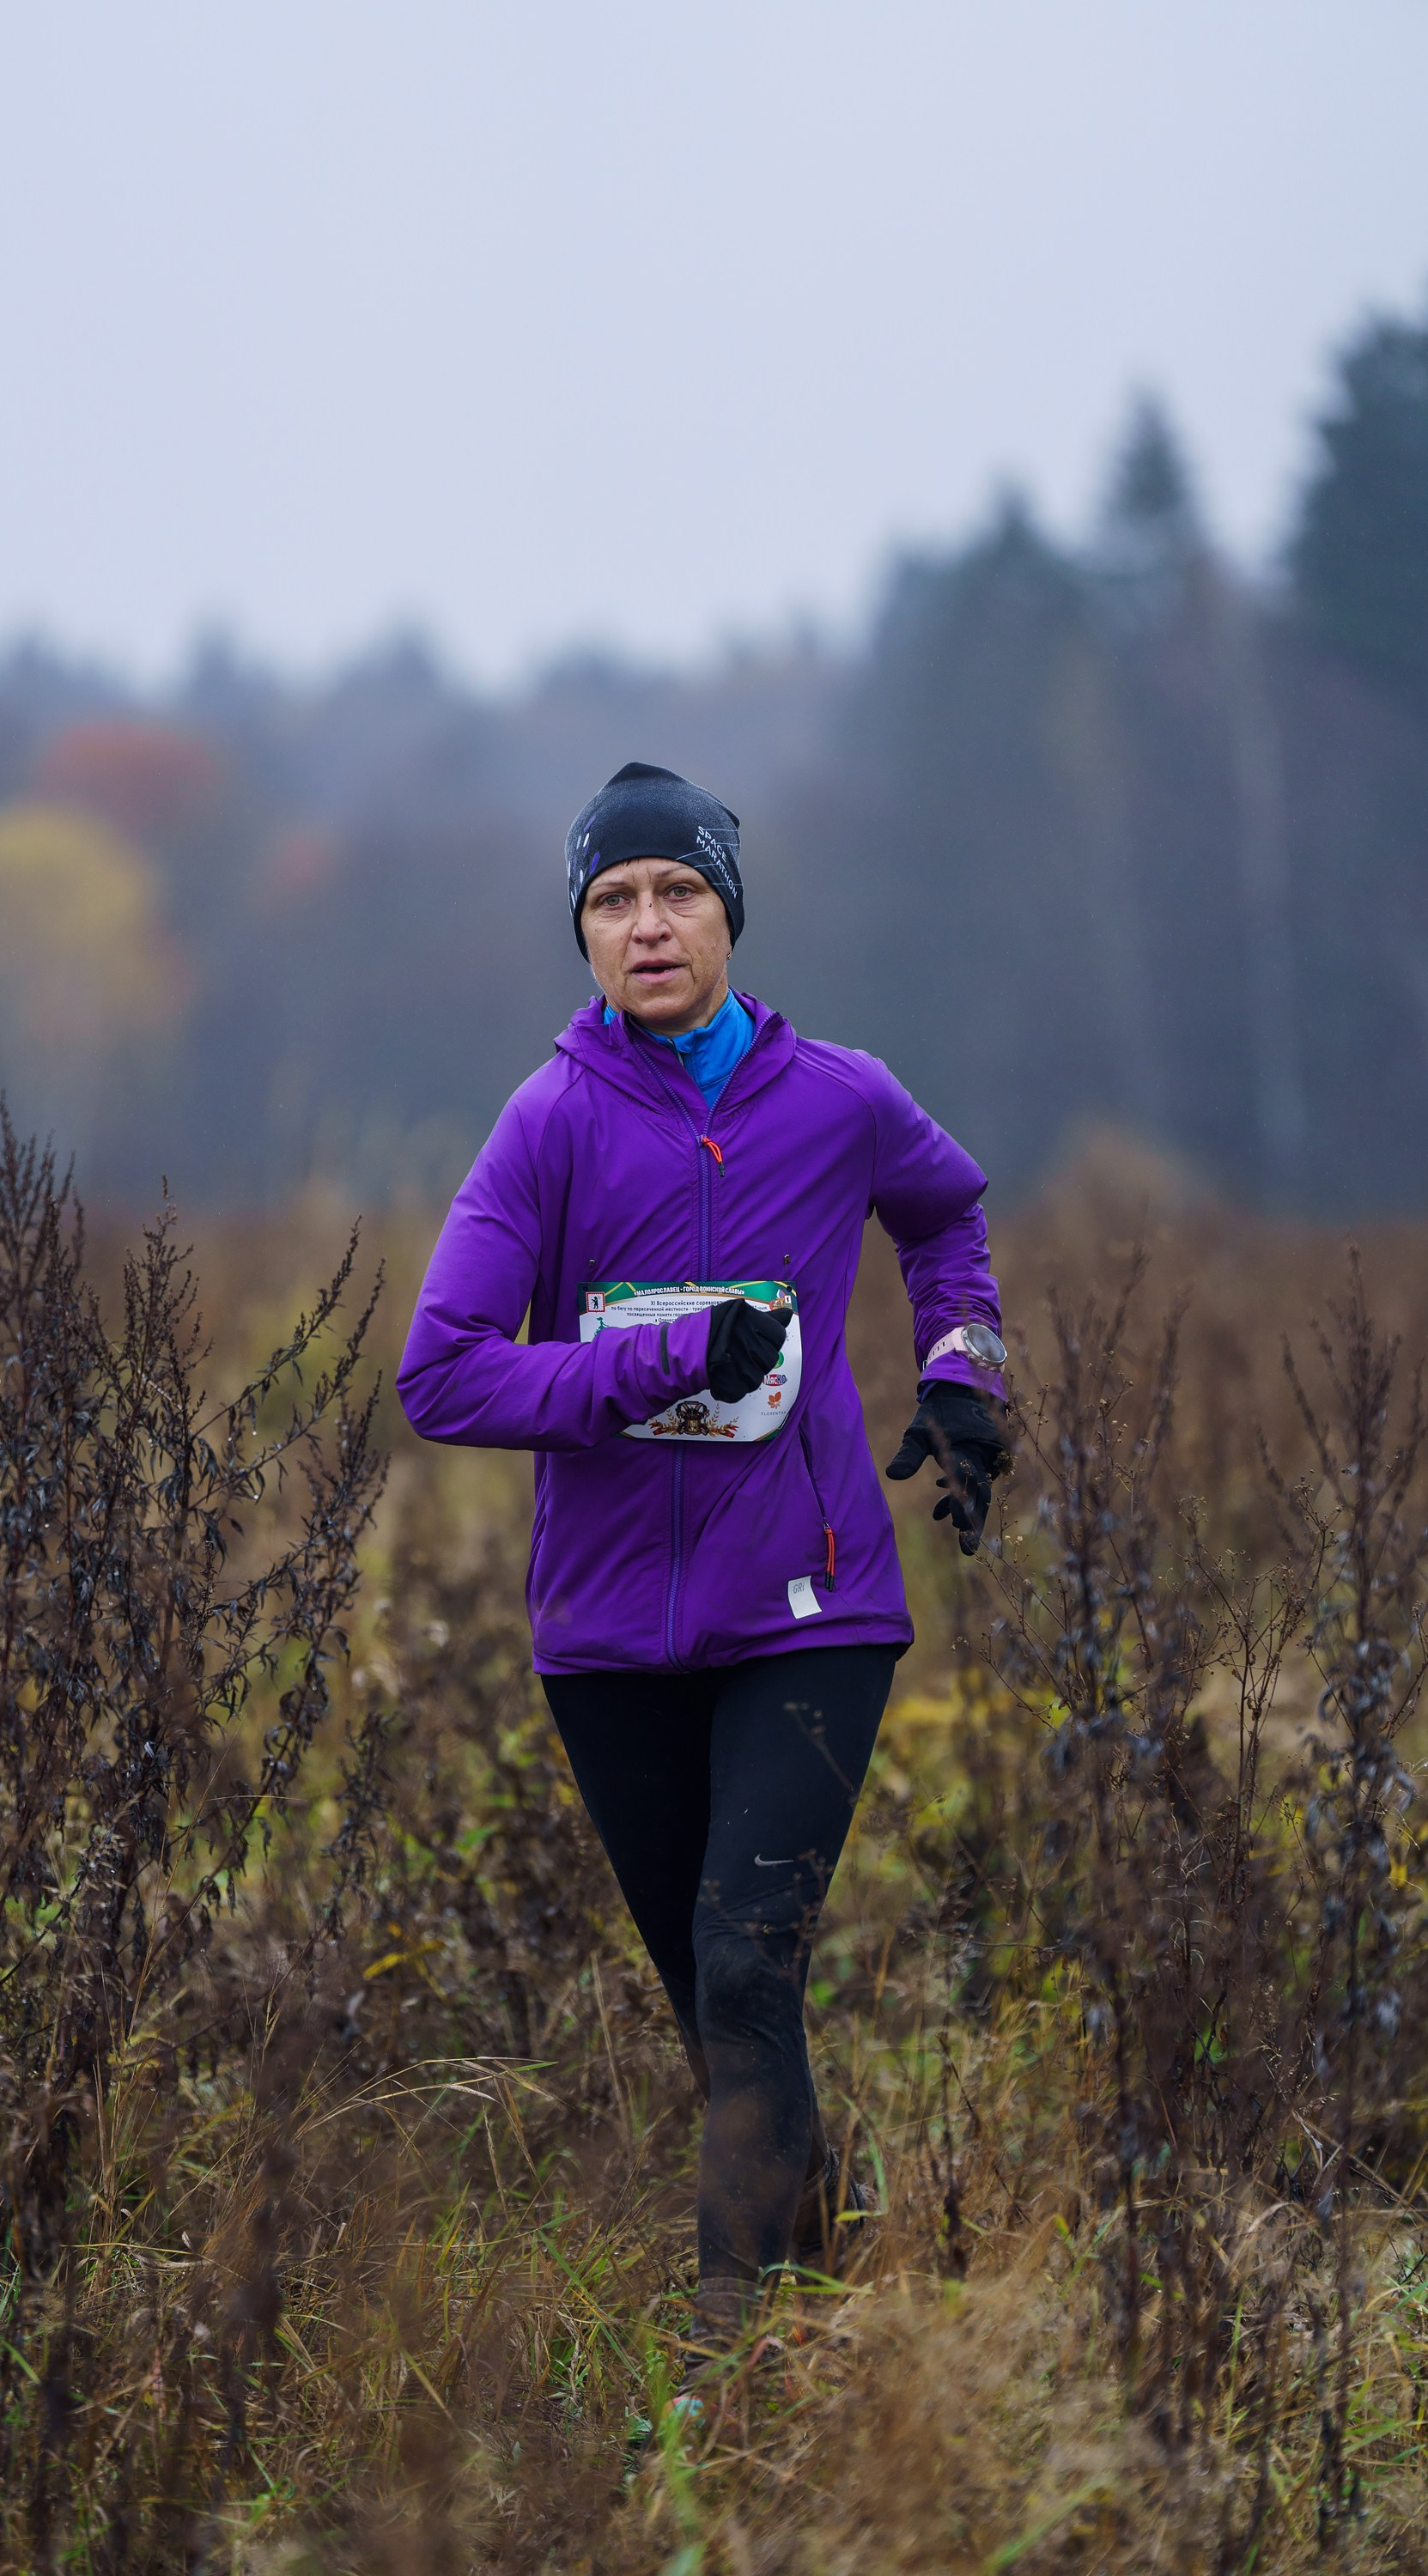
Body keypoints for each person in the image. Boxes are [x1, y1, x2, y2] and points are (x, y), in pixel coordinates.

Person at [397, 760, 1007, 2400]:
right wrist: (654, 1363)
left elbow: (946, 1219)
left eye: (677, 893)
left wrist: (964, 1370)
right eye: (612, 901)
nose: (647, 924)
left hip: (813, 1608)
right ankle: (837, 2272)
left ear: (729, 911)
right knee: (714, 1995)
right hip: (608, 1633)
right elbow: (440, 1375)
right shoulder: (551, 1124)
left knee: (748, 1957)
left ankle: (730, 2355)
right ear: (583, 936)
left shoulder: (843, 1098)